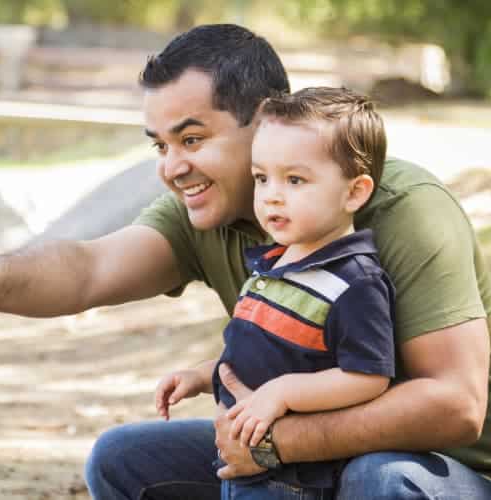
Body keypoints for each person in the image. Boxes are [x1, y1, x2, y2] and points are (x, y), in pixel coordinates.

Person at [0, 24, 491, 500]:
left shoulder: (400, 207)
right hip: (312, 462)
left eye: (193, 138)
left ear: (265, 120)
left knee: (378, 479)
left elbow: (456, 405)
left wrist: (276, 444)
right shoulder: (203, 212)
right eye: (159, 144)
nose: (172, 167)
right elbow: (89, 269)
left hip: (455, 477)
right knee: (124, 462)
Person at [153, 87, 396, 500]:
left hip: (292, 477)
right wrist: (200, 375)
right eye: (262, 178)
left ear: (354, 192)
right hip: (243, 460)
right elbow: (263, 355)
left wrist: (280, 395)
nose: (271, 195)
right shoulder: (274, 264)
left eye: (295, 179)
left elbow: (367, 377)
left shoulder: (353, 282)